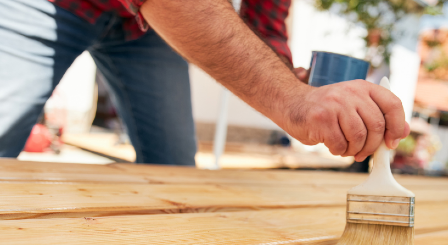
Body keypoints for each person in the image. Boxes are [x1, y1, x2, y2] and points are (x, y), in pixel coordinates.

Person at [0, 0, 409, 166]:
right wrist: (292, 100)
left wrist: (291, 79)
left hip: (145, 31)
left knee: (175, 168)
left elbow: (265, 21)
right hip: (55, 4)